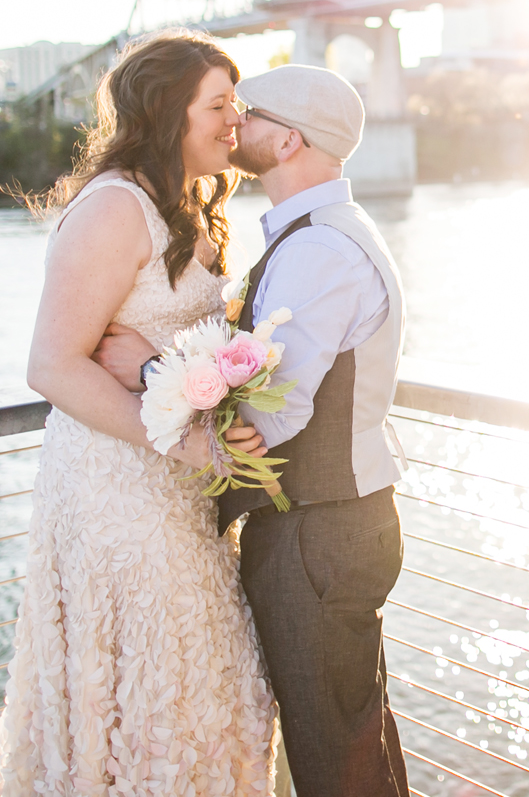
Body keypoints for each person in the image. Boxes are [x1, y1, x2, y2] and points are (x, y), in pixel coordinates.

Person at [96, 63, 411, 797]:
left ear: (288, 139)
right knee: (352, 731)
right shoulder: (324, 233)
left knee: (330, 753)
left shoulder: (317, 251)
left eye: (251, 113)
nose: (236, 123)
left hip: (316, 534)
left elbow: (268, 417)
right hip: (332, 524)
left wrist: (150, 370)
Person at [0, 30, 278, 796]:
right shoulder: (116, 208)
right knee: (149, 698)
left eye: (237, 103)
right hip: (118, 495)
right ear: (164, 111)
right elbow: (51, 363)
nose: (234, 121)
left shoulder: (185, 201)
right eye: (217, 104)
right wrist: (186, 443)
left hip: (183, 498)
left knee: (207, 692)